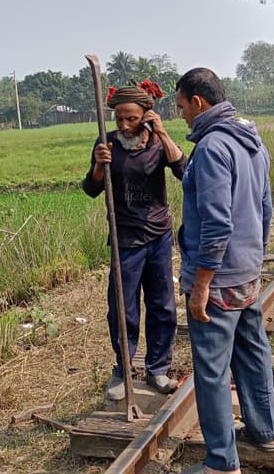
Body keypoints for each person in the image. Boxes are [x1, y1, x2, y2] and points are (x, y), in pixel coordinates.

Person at [175, 68, 274, 474]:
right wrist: (255, 255)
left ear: (198, 102)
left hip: (218, 278)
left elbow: (216, 223)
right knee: (253, 352)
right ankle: (265, 431)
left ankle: (221, 461)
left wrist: (201, 284)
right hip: (247, 269)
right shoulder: (251, 140)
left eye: (181, 106)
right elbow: (266, 207)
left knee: (212, 368)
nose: (181, 115)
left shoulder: (213, 147)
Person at [83, 79, 185, 399]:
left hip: (157, 235)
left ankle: (158, 369)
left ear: (146, 115)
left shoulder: (157, 142)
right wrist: (100, 165)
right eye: (120, 119)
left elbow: (183, 169)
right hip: (125, 237)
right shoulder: (107, 143)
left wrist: (163, 132)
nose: (125, 125)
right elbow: (91, 188)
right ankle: (124, 369)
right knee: (122, 308)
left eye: (132, 118)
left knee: (162, 304)